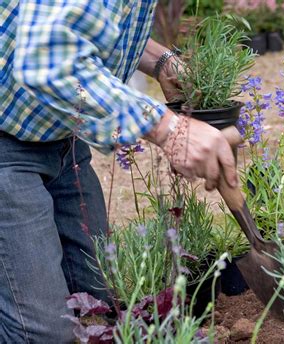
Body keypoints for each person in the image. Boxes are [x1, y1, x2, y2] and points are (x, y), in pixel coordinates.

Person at [0, 1, 238, 342]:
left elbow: (90, 23)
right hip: (6, 138)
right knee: (42, 333)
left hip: (59, 135)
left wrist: (162, 62)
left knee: (97, 302)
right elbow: (49, 63)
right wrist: (170, 130)